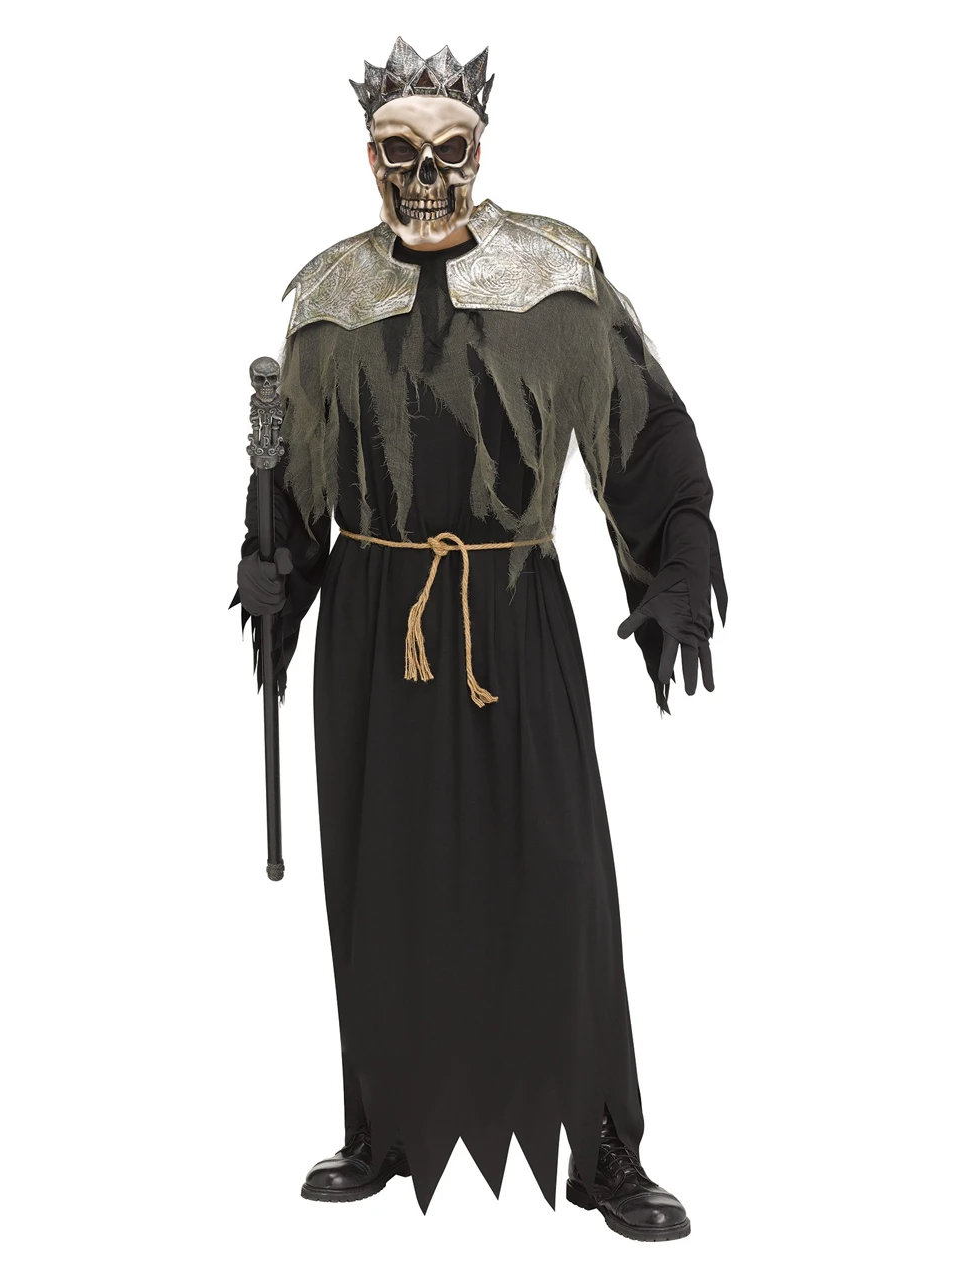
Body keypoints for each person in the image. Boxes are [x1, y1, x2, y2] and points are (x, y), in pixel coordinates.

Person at [233, 36, 726, 1243]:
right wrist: (271, 572)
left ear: (479, 150)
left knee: (556, 878)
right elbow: (292, 486)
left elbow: (647, 434)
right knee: (382, 879)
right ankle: (382, 1125)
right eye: (398, 152)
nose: (425, 176)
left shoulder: (554, 279)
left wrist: (676, 567)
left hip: (510, 609)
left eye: (447, 151)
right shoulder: (325, 301)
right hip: (371, 623)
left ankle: (603, 1144)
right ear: (369, 158)